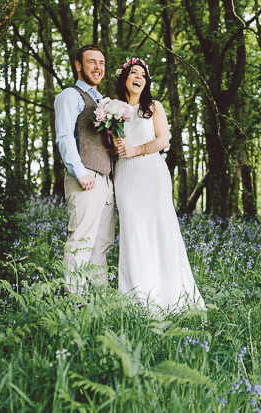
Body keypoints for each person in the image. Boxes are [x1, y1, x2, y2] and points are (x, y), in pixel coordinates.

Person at [112, 57, 205, 312]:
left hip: (152, 174)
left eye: (142, 74)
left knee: (160, 230)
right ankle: (138, 299)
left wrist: (136, 150)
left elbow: (163, 140)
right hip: (125, 178)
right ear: (125, 78)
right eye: (133, 72)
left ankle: (171, 297)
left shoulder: (154, 106)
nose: (138, 77)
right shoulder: (113, 109)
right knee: (133, 232)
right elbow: (112, 145)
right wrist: (116, 145)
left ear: (146, 81)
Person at [54, 45, 115, 293]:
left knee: (102, 243)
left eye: (101, 63)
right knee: (81, 241)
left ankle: (99, 301)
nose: (97, 67)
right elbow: (65, 136)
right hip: (85, 177)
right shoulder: (70, 95)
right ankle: (74, 302)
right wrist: (80, 172)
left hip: (106, 181)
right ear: (78, 65)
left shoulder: (104, 101)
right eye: (91, 62)